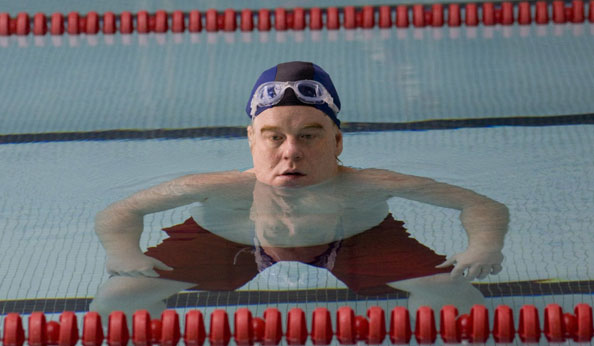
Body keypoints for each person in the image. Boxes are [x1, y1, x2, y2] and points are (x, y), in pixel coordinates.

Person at [91, 61, 509, 319]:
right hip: (229, 244)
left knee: (454, 293)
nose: (291, 153)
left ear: (338, 142)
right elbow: (119, 213)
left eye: (309, 136)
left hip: (355, 241)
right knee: (119, 296)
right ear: (251, 140)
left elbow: (481, 206)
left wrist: (483, 246)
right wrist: (123, 253)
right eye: (274, 138)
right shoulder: (218, 189)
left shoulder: (370, 184)